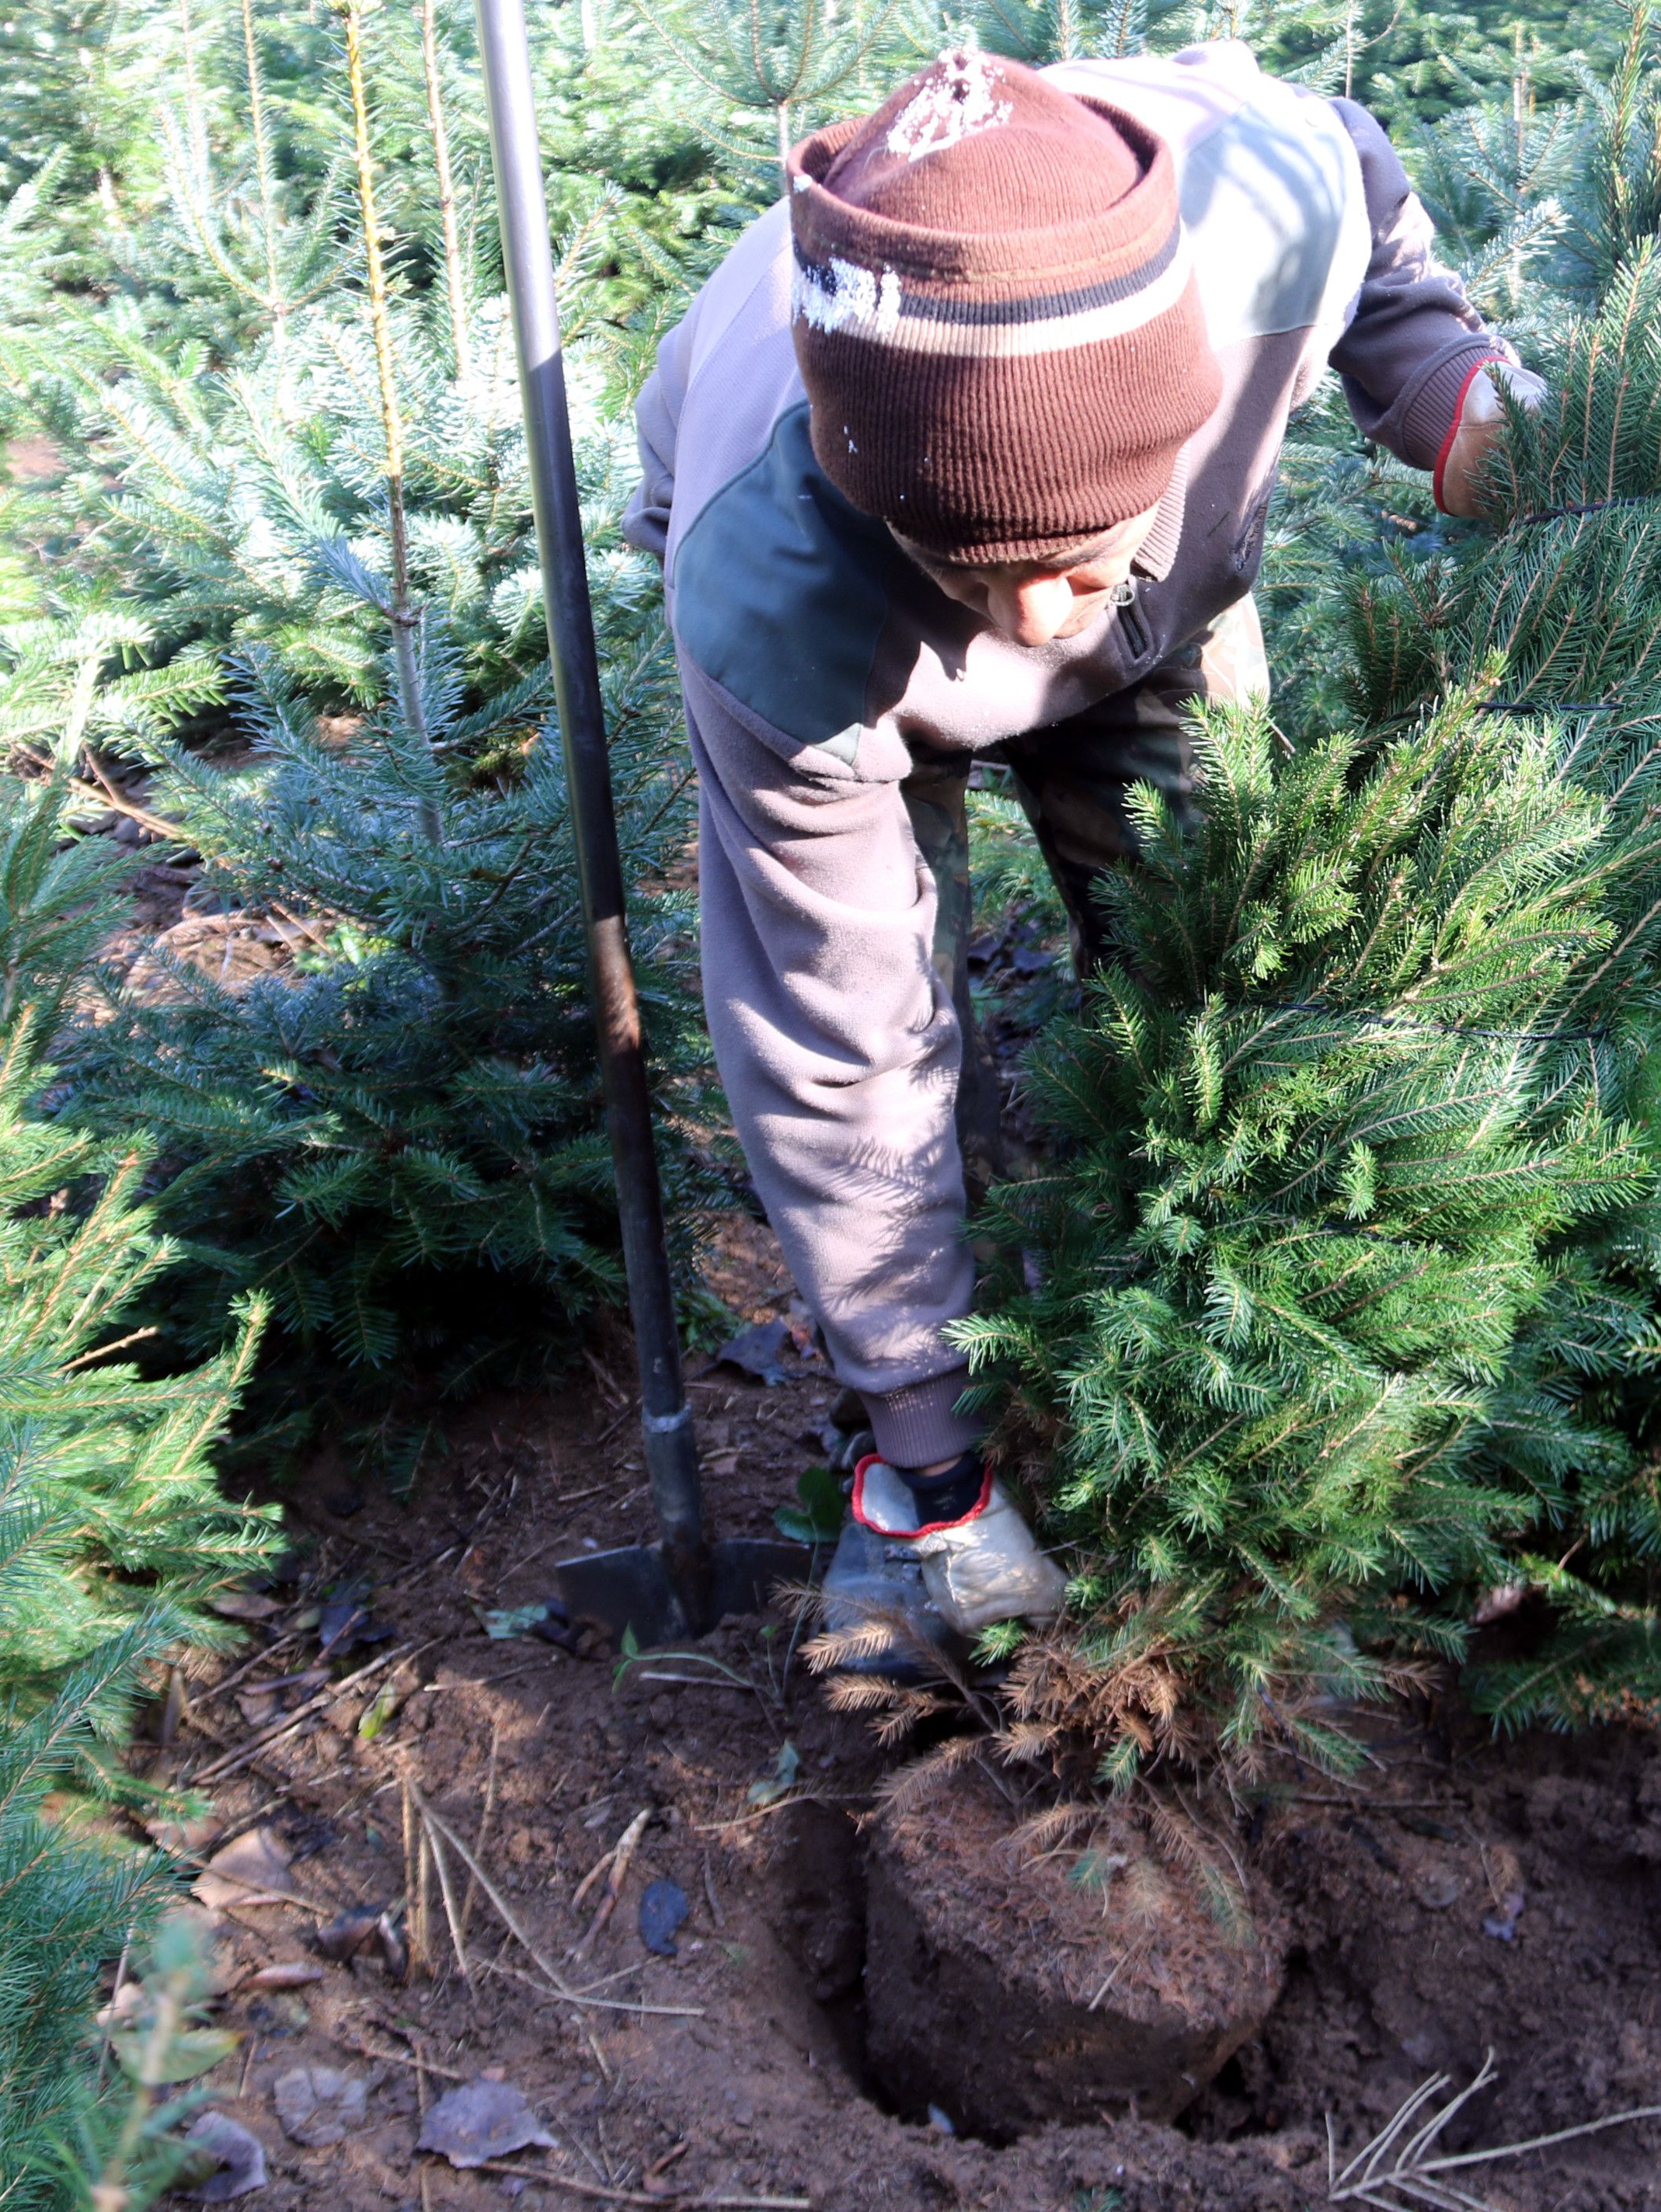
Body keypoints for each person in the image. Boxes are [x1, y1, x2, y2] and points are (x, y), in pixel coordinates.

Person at [623, 42, 1539, 1660]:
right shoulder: (770, 600)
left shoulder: (1269, 198)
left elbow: (1383, 238)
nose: (1046, 625)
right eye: (993, 563)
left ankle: (1204, 1290)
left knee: (1210, 912)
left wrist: (1457, 387)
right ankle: (915, 1427)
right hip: (854, 626)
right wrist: (933, 1459)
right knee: (890, 1040)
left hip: (1166, 590)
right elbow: (839, 1048)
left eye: (1075, 550)